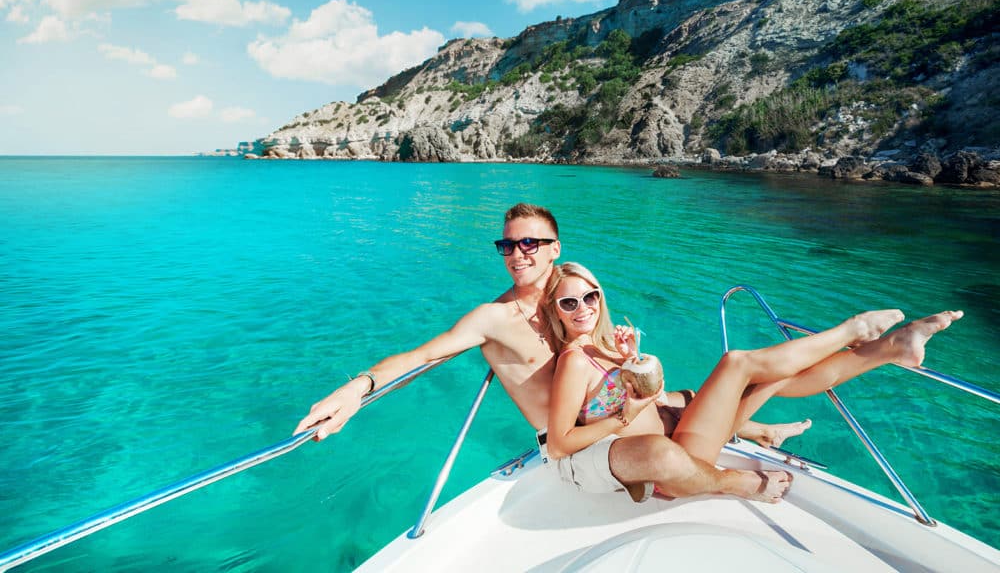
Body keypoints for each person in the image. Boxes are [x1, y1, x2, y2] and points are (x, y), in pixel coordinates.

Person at [294, 203, 810, 501]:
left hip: (610, 417)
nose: (518, 255)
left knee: (718, 384)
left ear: (554, 248)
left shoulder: (573, 299)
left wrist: (630, 361)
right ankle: (732, 479)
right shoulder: (491, 318)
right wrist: (356, 389)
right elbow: (419, 355)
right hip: (571, 447)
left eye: (531, 244)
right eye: (508, 246)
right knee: (675, 436)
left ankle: (856, 363)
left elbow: (605, 377)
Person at [541, 261, 962, 503]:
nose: (583, 308)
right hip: (677, 464)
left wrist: (633, 360)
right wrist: (622, 417)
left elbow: (641, 398)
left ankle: (891, 349)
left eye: (591, 295)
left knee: (775, 378)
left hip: (681, 435)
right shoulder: (573, 362)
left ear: (601, 295)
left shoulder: (609, 347)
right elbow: (560, 442)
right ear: (557, 311)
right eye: (569, 302)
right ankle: (852, 329)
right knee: (737, 363)